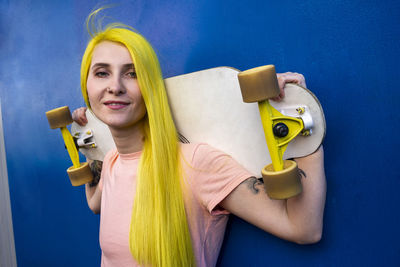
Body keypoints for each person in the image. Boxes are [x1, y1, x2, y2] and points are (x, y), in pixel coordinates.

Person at [72, 9, 326, 267]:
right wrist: (87, 143)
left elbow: (303, 228)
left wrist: (299, 119)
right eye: (102, 73)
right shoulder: (113, 161)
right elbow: (95, 203)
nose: (115, 86)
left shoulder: (196, 164)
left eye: (132, 73)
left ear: (150, 88)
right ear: (87, 87)